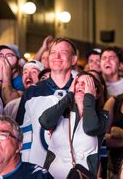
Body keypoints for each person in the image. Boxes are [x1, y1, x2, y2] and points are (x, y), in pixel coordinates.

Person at [16, 38, 77, 167]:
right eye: (53, 52)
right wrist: (27, 167)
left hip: (73, 168)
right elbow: (24, 133)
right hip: (39, 169)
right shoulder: (32, 92)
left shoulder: (82, 90)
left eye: (63, 52)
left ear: (73, 59)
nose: (57, 56)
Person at [39, 72, 108, 179]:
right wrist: (69, 96)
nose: (80, 85)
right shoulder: (61, 112)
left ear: (97, 92)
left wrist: (89, 98)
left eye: (86, 83)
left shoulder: (102, 116)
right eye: (77, 82)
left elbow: (91, 128)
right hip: (52, 175)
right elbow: (44, 121)